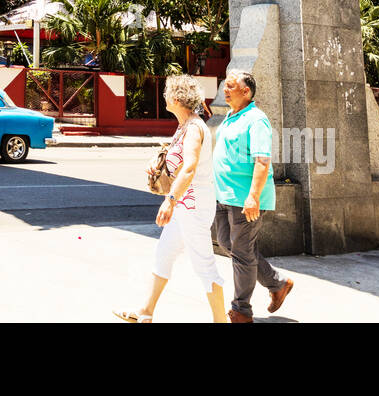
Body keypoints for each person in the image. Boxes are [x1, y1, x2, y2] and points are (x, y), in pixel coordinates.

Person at [115, 75, 226, 323]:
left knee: (204, 265)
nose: (164, 97)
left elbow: (190, 168)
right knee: (163, 254)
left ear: (175, 99)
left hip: (192, 204)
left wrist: (170, 200)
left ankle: (221, 321)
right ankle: (146, 311)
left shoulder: (195, 128)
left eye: (166, 93)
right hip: (184, 204)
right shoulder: (184, 126)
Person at [211, 70, 294, 323]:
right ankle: (277, 283)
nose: (225, 90)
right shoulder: (231, 116)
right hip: (223, 195)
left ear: (246, 92)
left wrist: (253, 196)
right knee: (228, 244)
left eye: (231, 86)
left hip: (245, 198)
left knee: (242, 252)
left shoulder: (257, 119)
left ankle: (241, 311)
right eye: (225, 85)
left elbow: (262, 160)